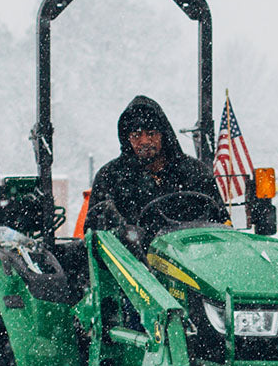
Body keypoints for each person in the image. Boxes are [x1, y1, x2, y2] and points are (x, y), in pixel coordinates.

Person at [85, 95, 227, 254]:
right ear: (127, 139)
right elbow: (96, 236)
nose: (144, 141)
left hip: (193, 262)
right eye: (136, 135)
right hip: (135, 270)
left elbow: (222, 226)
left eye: (151, 133)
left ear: (163, 135)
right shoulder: (110, 177)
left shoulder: (195, 172)